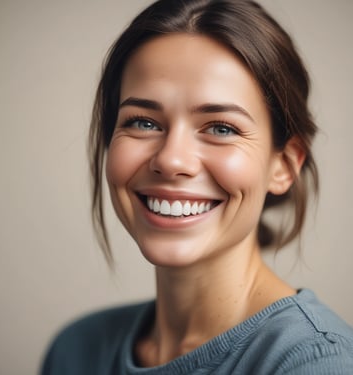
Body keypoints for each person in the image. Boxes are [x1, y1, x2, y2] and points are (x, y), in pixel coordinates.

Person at [41, 0, 353, 374]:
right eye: (142, 122)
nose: (172, 160)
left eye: (221, 128)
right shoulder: (75, 351)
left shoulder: (317, 363)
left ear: (283, 166)